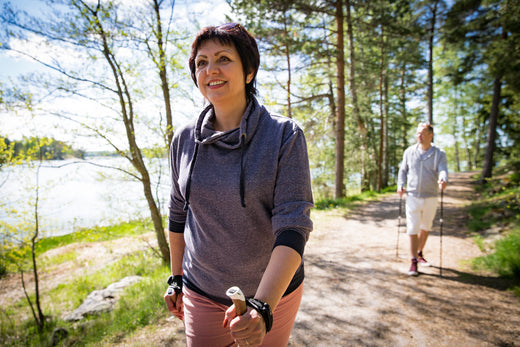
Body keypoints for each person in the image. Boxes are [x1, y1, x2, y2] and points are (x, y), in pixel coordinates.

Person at [163, 23, 314, 347]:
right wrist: (176, 278)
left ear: (249, 71)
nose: (210, 69)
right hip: (201, 290)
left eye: (223, 59)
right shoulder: (184, 139)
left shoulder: (284, 135)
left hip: (273, 296)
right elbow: (178, 215)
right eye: (201, 62)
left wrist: (262, 307)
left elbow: (294, 227)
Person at [397, 122, 448, 276]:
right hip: (412, 195)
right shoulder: (409, 152)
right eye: (418, 133)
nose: (419, 136)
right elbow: (403, 170)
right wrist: (400, 185)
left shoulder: (439, 153)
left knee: (425, 227)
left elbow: (443, 170)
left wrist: (443, 180)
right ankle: (413, 261)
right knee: (412, 228)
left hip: (431, 196)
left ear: (430, 135)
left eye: (423, 133)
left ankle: (419, 253)